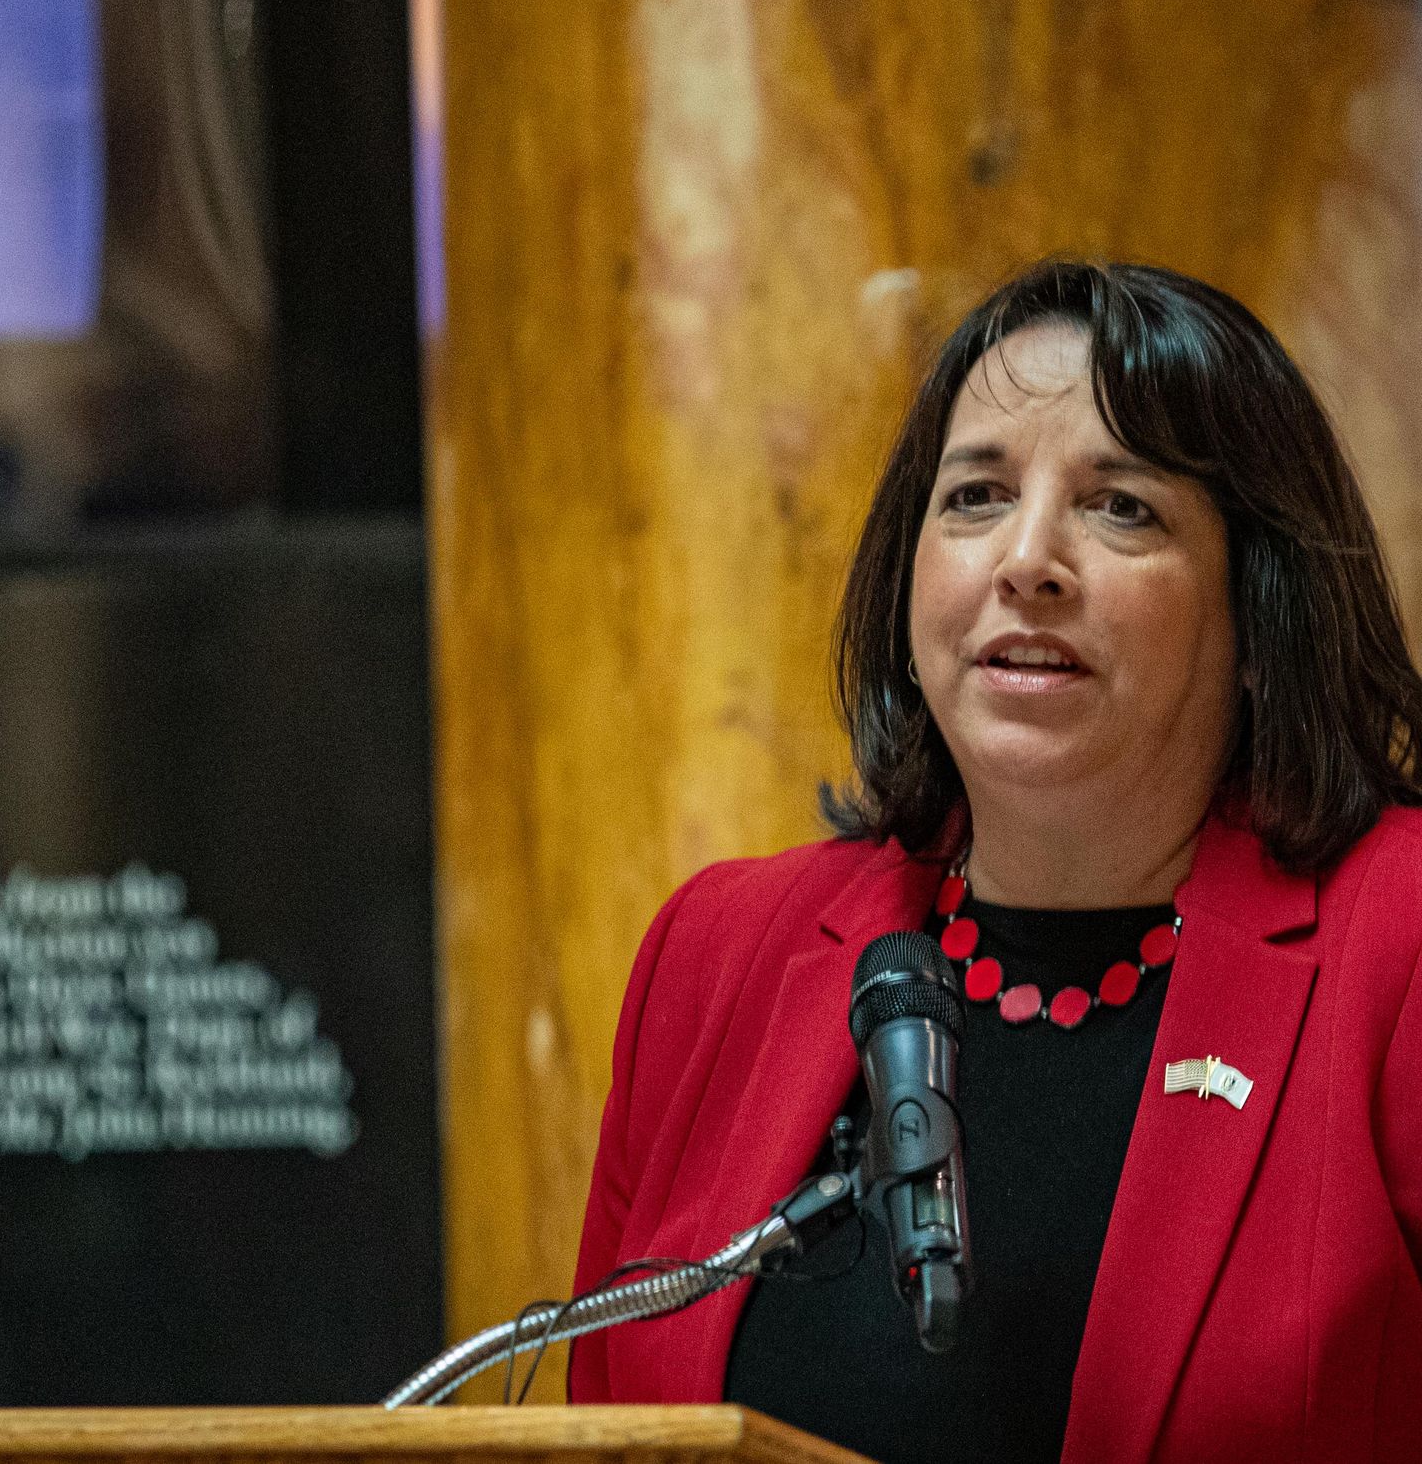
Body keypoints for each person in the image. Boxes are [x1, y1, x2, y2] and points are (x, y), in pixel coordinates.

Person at [568, 261, 1422, 1464]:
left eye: (1119, 506)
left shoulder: (1398, 948)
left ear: (1256, 609)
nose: (1026, 560)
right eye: (972, 496)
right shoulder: (720, 956)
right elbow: (607, 1423)